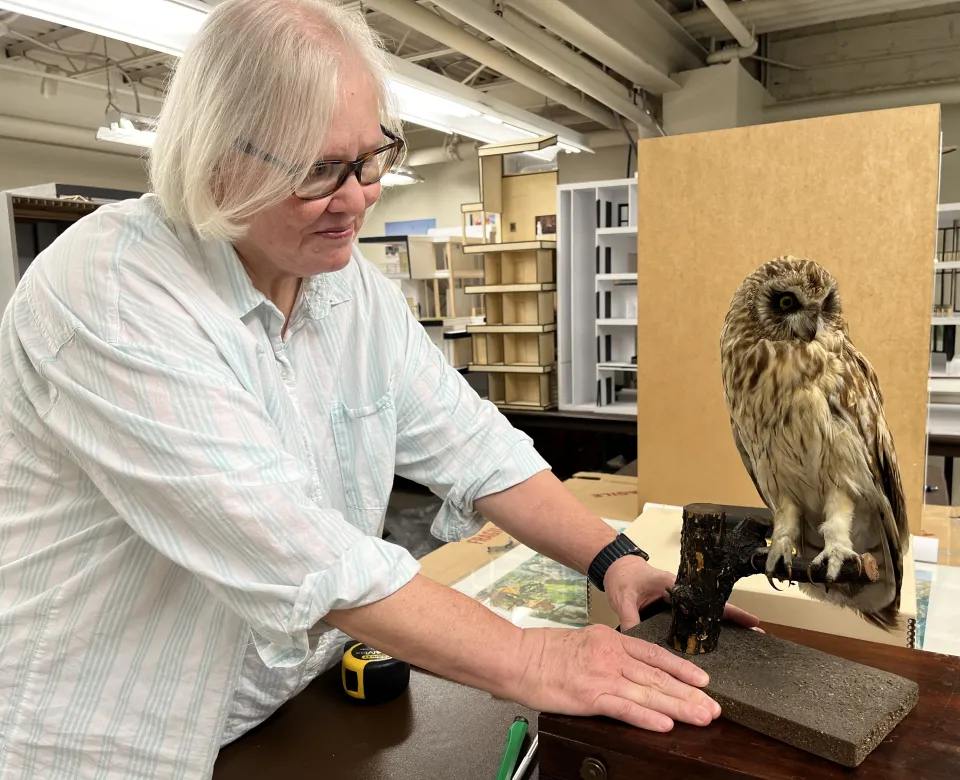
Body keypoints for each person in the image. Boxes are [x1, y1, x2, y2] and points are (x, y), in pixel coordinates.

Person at [0, 1, 758, 777]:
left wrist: (617, 560)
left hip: (279, 711)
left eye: (372, 158)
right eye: (320, 170)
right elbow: (298, 550)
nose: (359, 197)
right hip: (108, 741)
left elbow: (474, 444)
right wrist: (536, 663)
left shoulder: (343, 287)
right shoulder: (113, 292)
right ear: (214, 158)